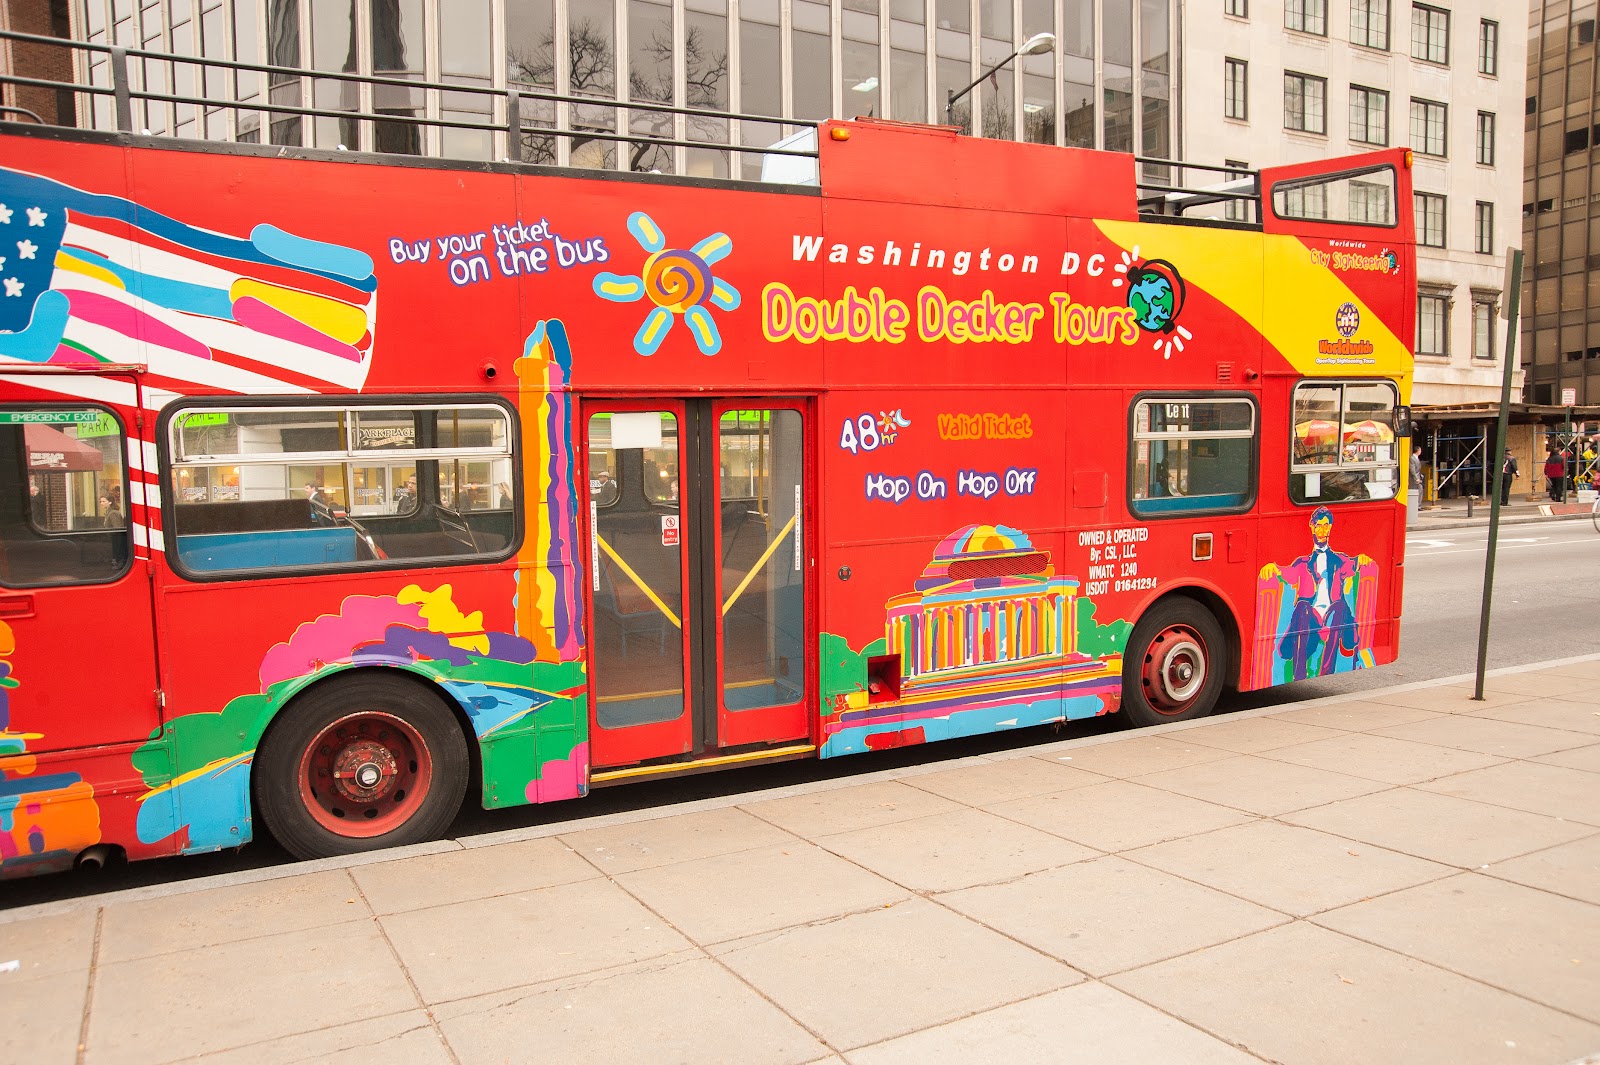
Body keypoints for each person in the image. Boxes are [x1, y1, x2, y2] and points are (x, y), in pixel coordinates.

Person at [1259, 506, 1368, 681]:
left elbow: (1353, 564)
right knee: (1303, 607)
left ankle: (1326, 670)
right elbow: (1288, 574)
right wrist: (1274, 568)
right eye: (1318, 525)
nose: (1322, 530)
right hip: (1311, 619)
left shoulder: (1339, 560)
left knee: (1339, 608)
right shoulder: (1303, 562)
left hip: (1334, 616)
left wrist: (1360, 560)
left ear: (1330, 528)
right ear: (1312, 526)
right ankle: (1299, 673)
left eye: (1326, 525)